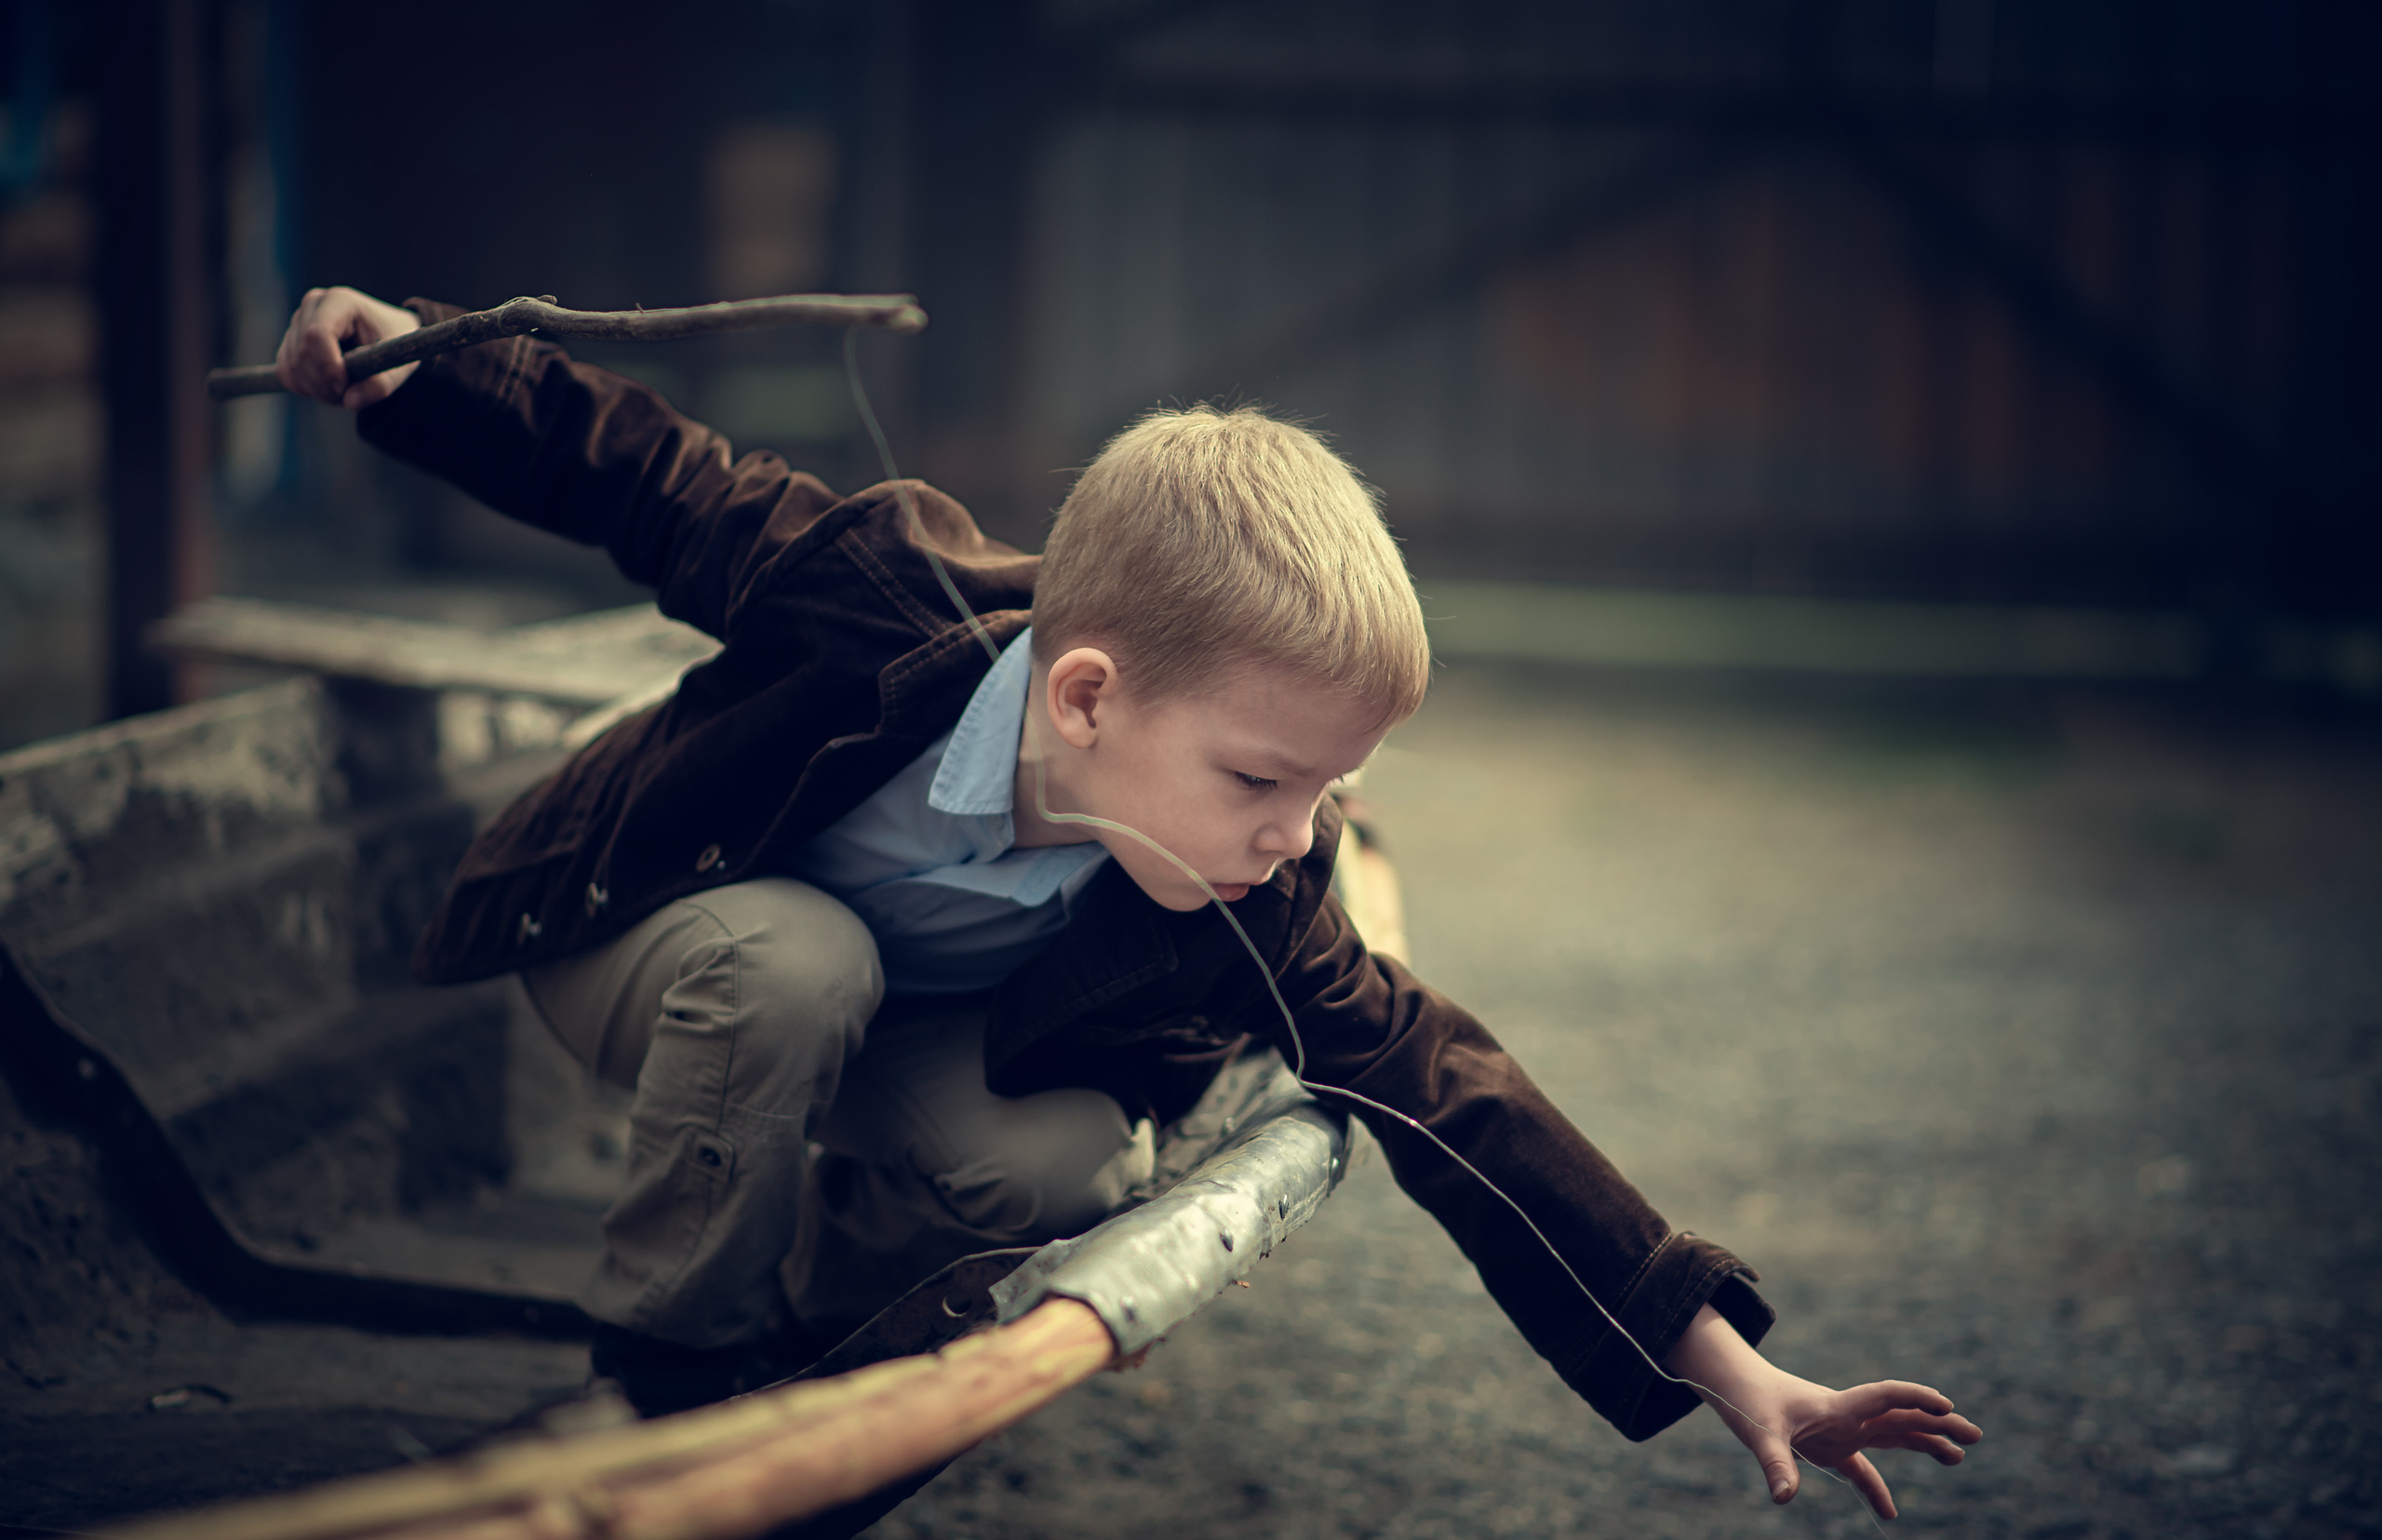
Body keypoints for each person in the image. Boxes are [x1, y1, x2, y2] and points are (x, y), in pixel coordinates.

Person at [274, 287, 1982, 1519]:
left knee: (1061, 1166)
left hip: (875, 1037)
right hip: (647, 937)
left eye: (1328, 787)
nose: (1301, 831)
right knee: (800, 956)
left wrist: (1734, 1367)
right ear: (1082, 697)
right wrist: (412, 375)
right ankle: (653, 1382)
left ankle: (827, 1333)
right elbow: (648, 473)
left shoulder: (1259, 880)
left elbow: (1455, 1097)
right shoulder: (879, 594)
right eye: (1263, 779)